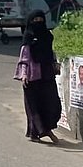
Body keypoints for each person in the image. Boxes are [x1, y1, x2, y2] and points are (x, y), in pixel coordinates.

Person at [17, 10, 62, 144]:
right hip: (31, 77)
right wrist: (23, 74)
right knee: (34, 106)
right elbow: (24, 58)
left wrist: (54, 64)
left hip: (47, 74)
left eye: (40, 20)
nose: (38, 23)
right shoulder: (28, 37)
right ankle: (38, 132)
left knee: (52, 102)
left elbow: (51, 52)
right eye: (35, 20)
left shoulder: (48, 36)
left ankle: (47, 128)